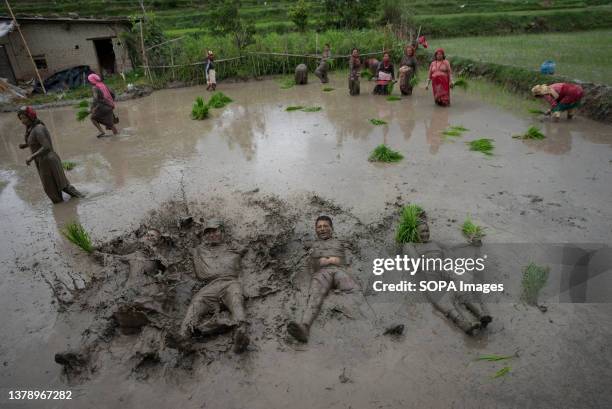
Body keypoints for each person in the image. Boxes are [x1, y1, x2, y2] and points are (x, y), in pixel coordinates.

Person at [403, 213, 492, 335]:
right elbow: (416, 263)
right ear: (414, 232)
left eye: (427, 231)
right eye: (422, 232)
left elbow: (452, 248)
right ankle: (464, 324)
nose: (425, 234)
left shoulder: (435, 242)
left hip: (445, 269)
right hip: (430, 273)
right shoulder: (410, 245)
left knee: (462, 286)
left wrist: (470, 242)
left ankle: (481, 314)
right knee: (440, 298)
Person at [179, 219, 250, 353]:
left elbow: (250, 247)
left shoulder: (234, 247)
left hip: (230, 282)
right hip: (210, 286)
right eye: (208, 233)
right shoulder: (199, 250)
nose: (211, 235)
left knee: (236, 298)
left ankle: (241, 332)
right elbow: (185, 240)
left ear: (222, 232)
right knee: (196, 302)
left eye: (215, 231)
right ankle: (184, 336)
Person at [287, 216, 358, 343]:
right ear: (315, 230)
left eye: (325, 226)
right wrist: (323, 261)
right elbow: (308, 264)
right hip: (322, 273)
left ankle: (381, 324)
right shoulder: (311, 245)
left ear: (332, 228)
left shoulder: (340, 242)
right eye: (319, 227)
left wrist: (334, 260)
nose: (322, 229)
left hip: (339, 271)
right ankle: (304, 328)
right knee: (315, 296)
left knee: (354, 290)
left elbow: (349, 258)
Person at [17, 106, 83, 204]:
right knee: (52, 189)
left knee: (62, 186)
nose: (22, 121)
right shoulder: (31, 128)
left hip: (48, 160)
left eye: (24, 118)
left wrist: (31, 156)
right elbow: (36, 142)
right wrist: (26, 145)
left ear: (31, 116)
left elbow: (46, 147)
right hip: (42, 161)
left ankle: (81, 200)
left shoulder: (38, 129)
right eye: (21, 118)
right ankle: (64, 211)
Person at [88, 73, 118, 137]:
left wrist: (92, 108)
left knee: (92, 118)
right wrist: (110, 102)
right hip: (110, 106)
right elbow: (113, 94)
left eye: (89, 80)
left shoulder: (95, 88)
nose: (89, 82)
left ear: (92, 80)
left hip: (102, 107)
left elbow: (95, 99)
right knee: (111, 124)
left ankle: (101, 131)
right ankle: (117, 137)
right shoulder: (103, 85)